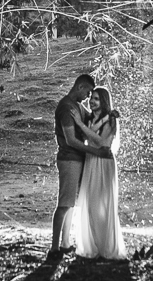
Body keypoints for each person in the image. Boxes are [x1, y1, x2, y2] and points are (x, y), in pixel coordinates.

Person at [50, 73, 111, 259]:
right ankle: (54, 247)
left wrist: (108, 115)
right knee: (64, 203)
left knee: (71, 204)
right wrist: (95, 152)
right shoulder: (67, 108)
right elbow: (71, 140)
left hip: (78, 159)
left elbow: (91, 119)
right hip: (69, 159)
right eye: (88, 92)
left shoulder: (77, 106)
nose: (88, 97)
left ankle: (65, 243)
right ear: (80, 87)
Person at [71, 85, 127, 259]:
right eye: (91, 98)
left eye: (96, 99)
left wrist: (81, 124)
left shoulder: (111, 120)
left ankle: (106, 246)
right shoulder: (90, 119)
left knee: (102, 204)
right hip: (91, 161)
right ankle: (92, 245)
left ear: (103, 101)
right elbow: (88, 137)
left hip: (104, 162)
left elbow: (101, 142)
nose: (92, 101)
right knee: (89, 203)